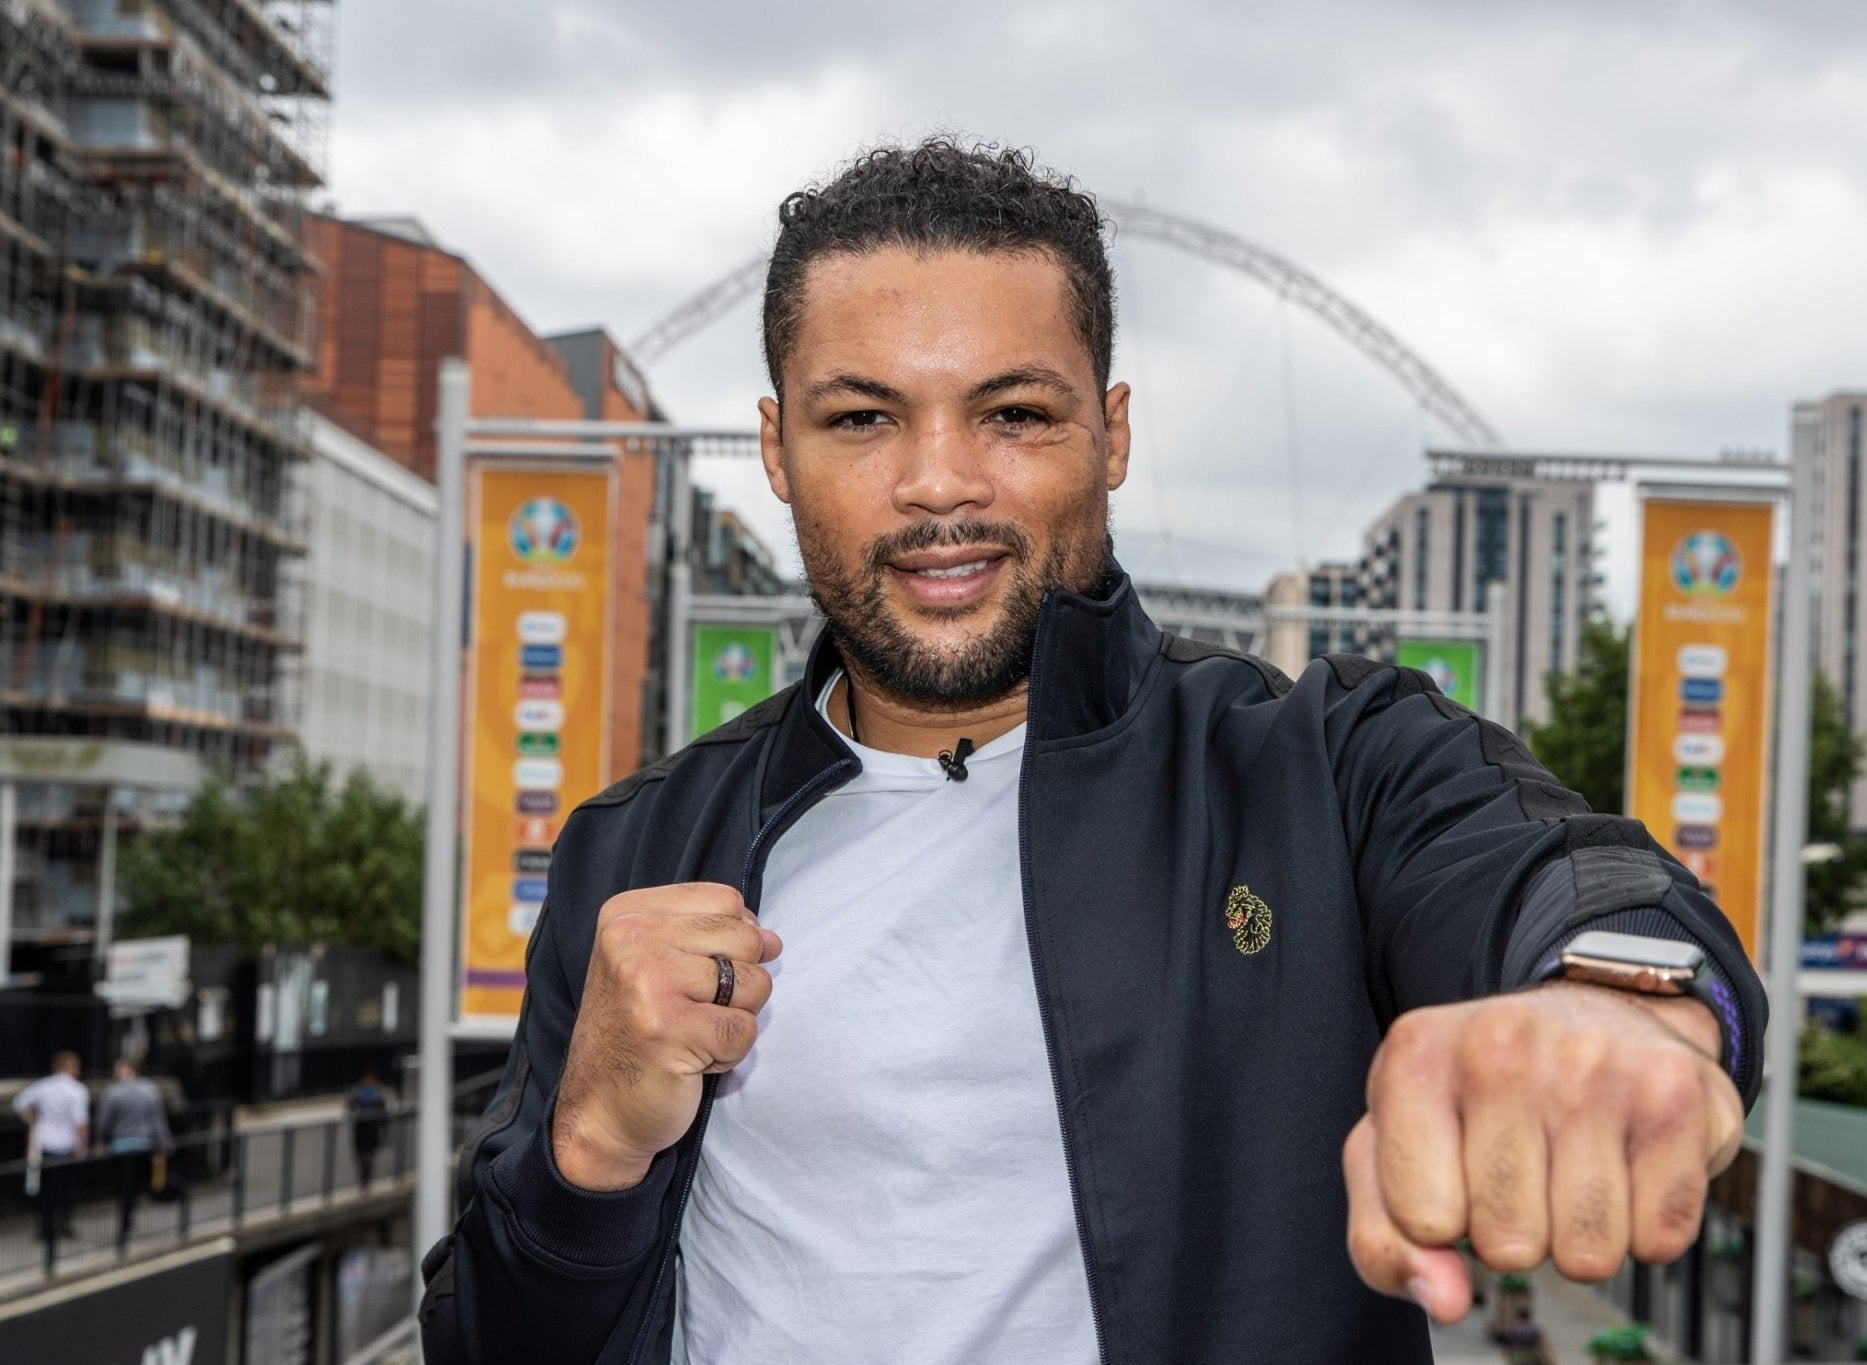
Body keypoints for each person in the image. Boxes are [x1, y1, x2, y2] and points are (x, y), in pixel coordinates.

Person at [420, 138, 1765, 1364]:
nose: (940, 482)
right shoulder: (636, 845)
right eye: (863, 418)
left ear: (1112, 434)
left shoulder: (1319, 766)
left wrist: (1611, 1000)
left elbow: (1567, 876)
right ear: (777, 449)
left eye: (1012, 413)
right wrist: (587, 1152)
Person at [13, 1049, 90, 1270]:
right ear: (69, 1067)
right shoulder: (77, 1091)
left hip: (45, 1143)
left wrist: (33, 1121)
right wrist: (83, 1144)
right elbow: (80, 1123)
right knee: (66, 1188)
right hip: (67, 1145)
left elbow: (19, 1103)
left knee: (45, 1188)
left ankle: (45, 1227)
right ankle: (63, 1224)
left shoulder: (44, 1086)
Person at [94, 1056, 173, 1253]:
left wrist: (101, 1141)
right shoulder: (150, 1090)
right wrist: (164, 1140)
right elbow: (158, 1119)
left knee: (124, 1187)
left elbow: (103, 1121)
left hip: (121, 1147)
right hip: (143, 1145)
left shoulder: (113, 1093)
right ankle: (129, 1220)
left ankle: (125, 1225)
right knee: (136, 1185)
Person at [346, 1069, 390, 1192]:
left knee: (369, 1156)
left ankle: (366, 1181)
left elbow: (384, 1113)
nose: (369, 1081)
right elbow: (350, 1107)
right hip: (361, 1127)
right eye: (367, 1079)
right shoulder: (357, 1092)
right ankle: (363, 1180)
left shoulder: (378, 1092)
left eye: (371, 1079)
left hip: (372, 1128)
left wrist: (385, 1130)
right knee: (360, 1156)